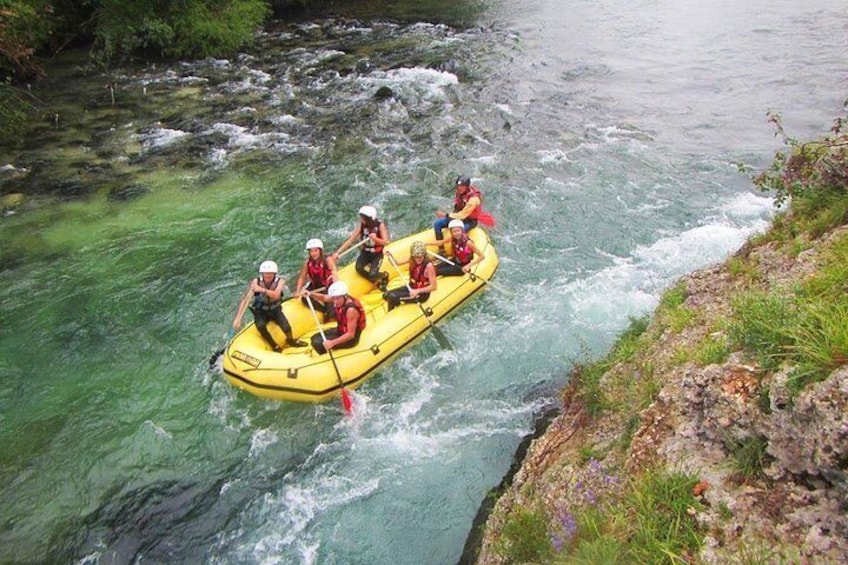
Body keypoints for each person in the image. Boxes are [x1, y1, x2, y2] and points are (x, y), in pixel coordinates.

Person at [232, 260, 307, 351]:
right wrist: (238, 318)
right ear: (262, 274)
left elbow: (276, 295)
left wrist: (261, 289)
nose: (267, 276)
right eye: (265, 274)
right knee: (260, 326)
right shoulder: (256, 282)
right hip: (261, 311)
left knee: (286, 327)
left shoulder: (280, 281)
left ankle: (291, 340)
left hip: (275, 309)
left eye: (270, 274)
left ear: (274, 274)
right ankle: (274, 345)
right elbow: (245, 300)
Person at [331, 205, 390, 290]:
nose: (361, 220)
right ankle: (375, 281)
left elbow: (386, 242)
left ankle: (383, 275)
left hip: (377, 254)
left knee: (372, 274)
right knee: (359, 268)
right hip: (365, 253)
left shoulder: (380, 225)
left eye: (363, 218)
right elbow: (350, 240)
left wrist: (375, 239)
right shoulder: (361, 226)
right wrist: (338, 252)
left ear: (369, 219)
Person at [304, 281, 366, 355]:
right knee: (314, 338)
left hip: (351, 340)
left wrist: (332, 343)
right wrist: (311, 294)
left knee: (317, 343)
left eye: (337, 298)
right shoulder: (339, 299)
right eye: (334, 298)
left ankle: (327, 356)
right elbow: (324, 298)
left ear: (345, 296)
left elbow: (350, 334)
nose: (335, 301)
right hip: (340, 331)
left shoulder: (351, 310)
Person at [383, 241, 437, 311]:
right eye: (416, 257)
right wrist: (390, 256)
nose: (418, 259)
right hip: (411, 287)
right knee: (386, 295)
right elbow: (396, 263)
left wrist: (418, 291)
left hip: (421, 295)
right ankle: (397, 307)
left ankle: (390, 313)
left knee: (392, 297)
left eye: (420, 256)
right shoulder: (412, 260)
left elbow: (434, 287)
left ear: (424, 254)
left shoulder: (429, 266)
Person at [294, 238, 338, 319]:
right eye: (311, 251)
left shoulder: (327, 260)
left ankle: (329, 311)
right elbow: (302, 277)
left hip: (327, 286)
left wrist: (335, 286)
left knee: (332, 314)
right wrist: (298, 291)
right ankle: (324, 310)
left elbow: (334, 272)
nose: (313, 253)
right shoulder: (308, 262)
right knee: (304, 298)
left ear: (320, 250)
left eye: (315, 250)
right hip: (315, 285)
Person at [433, 175, 483, 241]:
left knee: (458, 233)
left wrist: (446, 215)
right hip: (458, 216)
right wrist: (450, 217)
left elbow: (462, 215)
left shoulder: (474, 199)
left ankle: (463, 246)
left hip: (469, 221)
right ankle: (441, 249)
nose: (459, 188)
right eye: (458, 186)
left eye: (462, 186)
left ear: (467, 187)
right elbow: (457, 207)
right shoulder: (460, 192)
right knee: (437, 224)